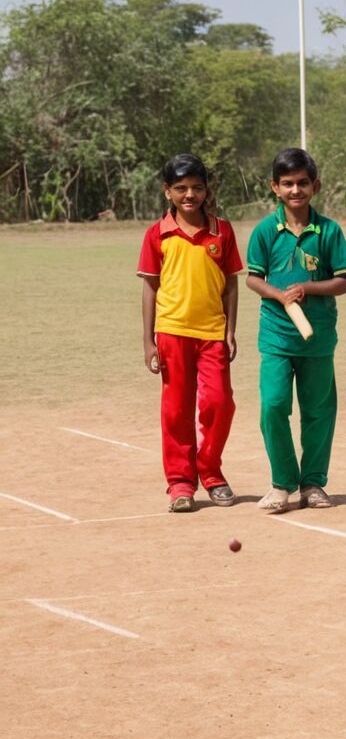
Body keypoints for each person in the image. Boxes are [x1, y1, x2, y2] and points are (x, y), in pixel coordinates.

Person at [246, 148, 346, 512]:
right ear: (274, 187)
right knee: (273, 405)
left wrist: (309, 288)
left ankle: (312, 484)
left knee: (319, 412)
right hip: (276, 336)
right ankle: (281, 484)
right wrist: (279, 294)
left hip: (318, 337)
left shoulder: (328, 231)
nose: (296, 190)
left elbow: (342, 282)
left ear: (315, 186)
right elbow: (253, 279)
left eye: (303, 183)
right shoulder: (265, 231)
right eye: (288, 184)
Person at [138, 153, 242, 513]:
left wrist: (230, 330)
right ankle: (181, 483)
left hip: (212, 332)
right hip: (172, 331)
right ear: (167, 191)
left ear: (206, 190)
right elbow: (150, 288)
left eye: (197, 188)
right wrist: (149, 340)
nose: (189, 195)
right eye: (181, 188)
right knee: (176, 409)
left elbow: (230, 284)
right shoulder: (158, 234)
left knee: (219, 403)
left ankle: (210, 471)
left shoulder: (222, 231)